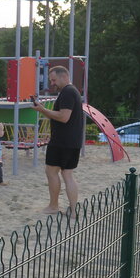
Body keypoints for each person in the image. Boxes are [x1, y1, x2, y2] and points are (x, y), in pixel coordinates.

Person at [32, 66, 83, 215]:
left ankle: (53, 206)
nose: (52, 83)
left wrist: (42, 110)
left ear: (64, 76)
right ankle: (73, 211)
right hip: (73, 141)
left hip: (62, 142)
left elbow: (63, 117)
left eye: (54, 80)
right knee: (67, 175)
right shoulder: (73, 91)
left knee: (51, 171)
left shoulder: (67, 92)